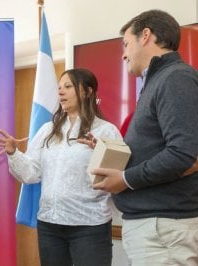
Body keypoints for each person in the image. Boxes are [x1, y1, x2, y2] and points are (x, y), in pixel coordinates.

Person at [91, 9, 198, 265]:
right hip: (156, 227)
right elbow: (158, 146)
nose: (124, 54)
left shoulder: (175, 78)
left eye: (126, 44)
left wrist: (125, 179)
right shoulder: (160, 80)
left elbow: (183, 154)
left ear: (146, 36)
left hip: (162, 228)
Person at [0, 68, 122, 266]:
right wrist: (13, 153)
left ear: (88, 92)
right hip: (50, 225)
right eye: (59, 87)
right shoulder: (47, 130)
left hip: (89, 226)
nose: (60, 92)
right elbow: (31, 174)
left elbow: (116, 178)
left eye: (68, 86)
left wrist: (101, 152)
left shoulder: (106, 130)